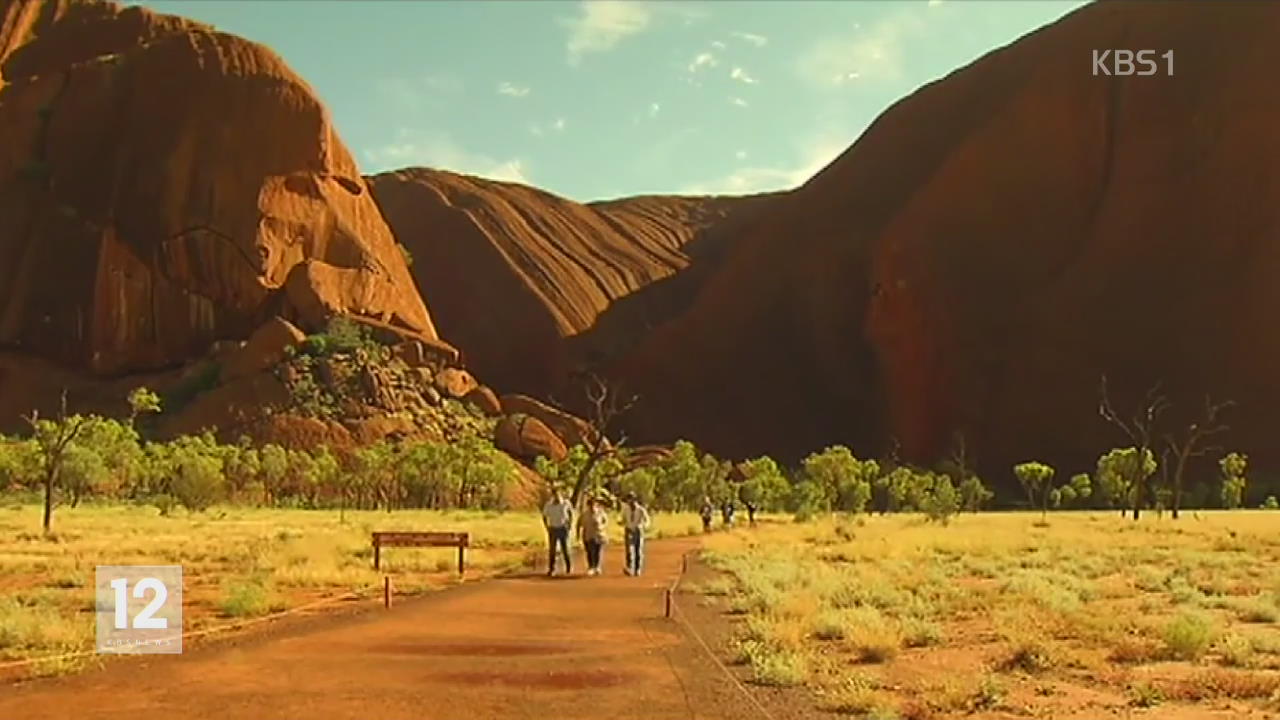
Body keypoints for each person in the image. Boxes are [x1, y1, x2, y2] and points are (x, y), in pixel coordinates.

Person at [542, 488, 574, 576]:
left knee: (565, 549)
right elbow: (544, 516)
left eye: (558, 494)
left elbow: (571, 514)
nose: (557, 496)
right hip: (553, 528)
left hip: (563, 528)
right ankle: (552, 569)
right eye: (555, 494)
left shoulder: (565, 503)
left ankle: (568, 567)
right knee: (552, 550)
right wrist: (547, 526)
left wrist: (569, 525)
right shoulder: (548, 505)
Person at [621, 493, 651, 576]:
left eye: (631, 499)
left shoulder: (641, 510)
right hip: (629, 530)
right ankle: (629, 568)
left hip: (638, 530)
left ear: (635, 500)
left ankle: (637, 569)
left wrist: (643, 526)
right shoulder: (626, 509)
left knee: (638, 550)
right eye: (628, 499)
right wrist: (621, 522)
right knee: (629, 550)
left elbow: (647, 520)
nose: (629, 501)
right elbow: (623, 519)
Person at [578, 497, 609, 576]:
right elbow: (579, 524)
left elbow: (605, 522)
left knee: (597, 551)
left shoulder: (600, 512)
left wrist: (602, 527)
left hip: (599, 534)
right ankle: (591, 567)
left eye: (594, 504)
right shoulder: (585, 514)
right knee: (589, 551)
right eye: (590, 504)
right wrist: (578, 535)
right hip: (588, 535)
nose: (592, 506)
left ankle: (597, 566)